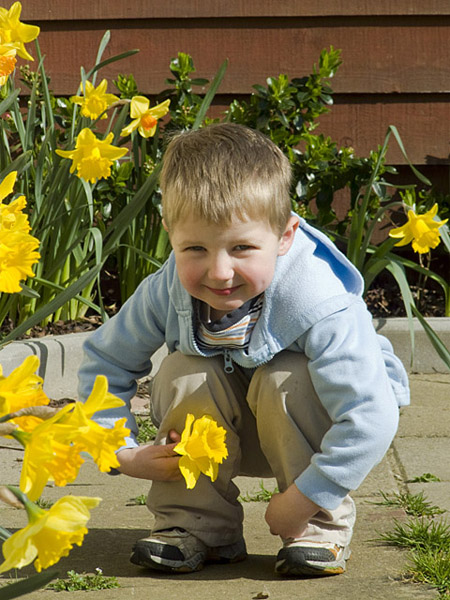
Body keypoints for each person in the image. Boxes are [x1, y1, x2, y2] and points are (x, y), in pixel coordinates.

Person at [78, 123, 409, 577]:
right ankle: (194, 525)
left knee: (287, 377)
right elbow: (104, 361)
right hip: (219, 429)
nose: (219, 271)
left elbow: (372, 416)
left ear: (286, 235)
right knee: (184, 370)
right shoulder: (167, 290)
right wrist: (118, 450)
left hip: (310, 431)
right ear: (169, 232)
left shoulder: (318, 299)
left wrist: (307, 496)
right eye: (194, 247)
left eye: (242, 248)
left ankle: (317, 527)